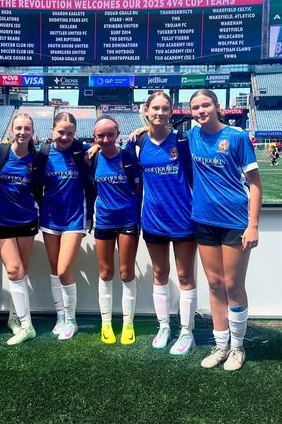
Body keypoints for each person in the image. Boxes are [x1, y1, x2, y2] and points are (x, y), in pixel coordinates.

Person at [188, 89, 262, 371]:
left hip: (235, 221)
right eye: (195, 107)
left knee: (233, 285)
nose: (200, 110)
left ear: (217, 106)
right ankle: (220, 346)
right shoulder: (192, 137)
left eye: (205, 105)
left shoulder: (237, 137)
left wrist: (253, 225)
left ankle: (237, 348)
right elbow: (159, 127)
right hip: (204, 221)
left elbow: (255, 184)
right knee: (215, 284)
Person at [130, 92, 198, 356]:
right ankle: (164, 327)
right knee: (160, 274)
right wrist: (95, 147)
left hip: (183, 219)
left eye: (165, 108)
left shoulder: (183, 140)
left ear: (172, 112)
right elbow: (116, 158)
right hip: (153, 220)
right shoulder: (137, 142)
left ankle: (186, 332)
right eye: (155, 108)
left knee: (184, 276)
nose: (159, 112)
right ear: (146, 111)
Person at [34, 112, 91, 340]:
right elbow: (36, 184)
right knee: (53, 268)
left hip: (75, 219)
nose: (65, 136)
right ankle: (60, 317)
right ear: (52, 131)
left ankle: (72, 320)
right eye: (61, 132)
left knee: (63, 269)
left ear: (75, 133)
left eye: (70, 133)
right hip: (50, 218)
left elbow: (104, 145)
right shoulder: (44, 154)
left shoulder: (82, 151)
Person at [0, 113, 38, 345]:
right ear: (11, 131)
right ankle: (27, 326)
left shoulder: (37, 158)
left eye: (26, 128)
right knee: (14, 270)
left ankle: (13, 318)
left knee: (21, 271)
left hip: (27, 220)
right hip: (1, 221)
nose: (22, 132)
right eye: (18, 128)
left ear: (32, 132)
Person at [91, 115, 141, 345]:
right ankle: (106, 324)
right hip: (103, 221)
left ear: (118, 134)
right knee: (105, 272)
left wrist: (141, 126)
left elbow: (153, 128)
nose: (105, 139)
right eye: (100, 135)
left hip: (128, 220)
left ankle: (128, 323)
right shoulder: (90, 157)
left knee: (126, 272)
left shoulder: (128, 156)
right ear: (94, 137)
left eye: (110, 134)